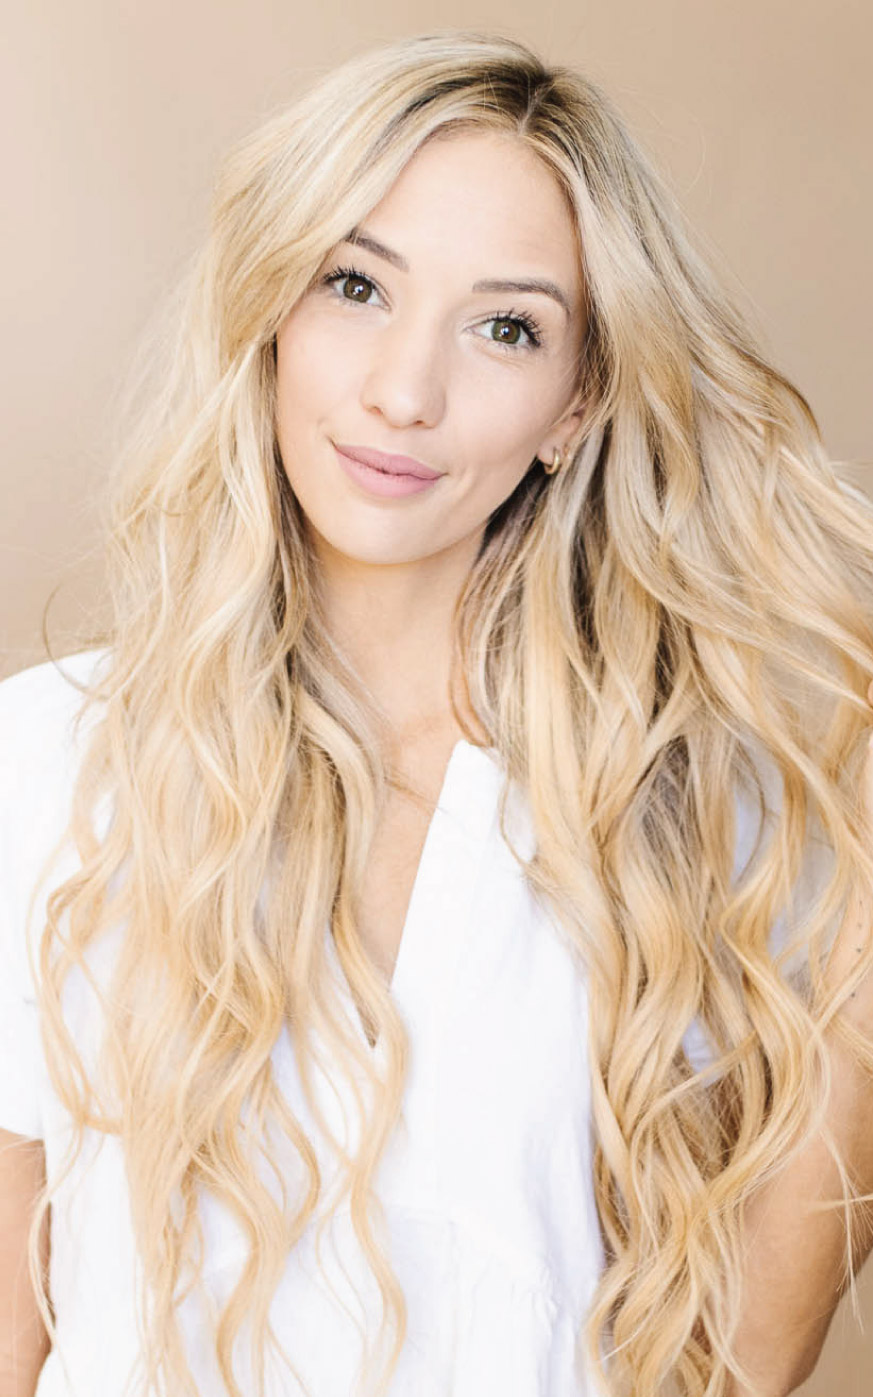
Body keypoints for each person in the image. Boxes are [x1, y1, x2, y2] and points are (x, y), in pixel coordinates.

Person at [1, 29, 872, 1397]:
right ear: (272, 311)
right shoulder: (48, 755)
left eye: (505, 326)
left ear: (574, 405)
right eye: (355, 285)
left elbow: (735, 1364)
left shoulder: (697, 807)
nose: (404, 393)